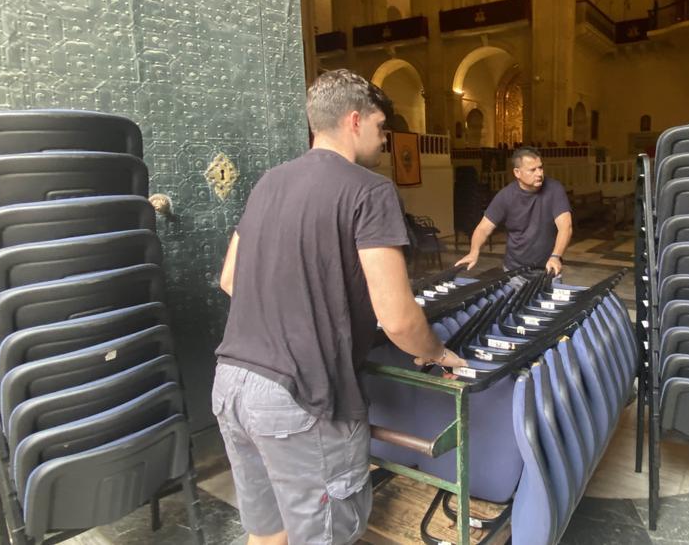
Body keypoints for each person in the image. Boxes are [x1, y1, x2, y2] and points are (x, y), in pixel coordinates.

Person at [212, 69, 467, 545]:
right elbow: (396, 316)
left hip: (233, 386)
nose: (384, 140)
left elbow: (231, 280)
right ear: (354, 121)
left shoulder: (270, 181)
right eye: (381, 128)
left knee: (268, 532)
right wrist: (436, 352)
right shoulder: (368, 190)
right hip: (301, 399)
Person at [455, 146, 573, 275]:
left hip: (549, 269)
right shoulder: (506, 196)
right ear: (517, 172)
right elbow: (483, 229)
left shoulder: (554, 189)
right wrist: (474, 252)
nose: (539, 173)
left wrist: (555, 256)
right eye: (532, 170)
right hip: (514, 271)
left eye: (540, 168)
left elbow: (565, 227)